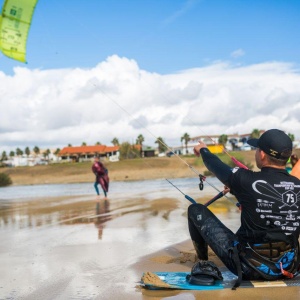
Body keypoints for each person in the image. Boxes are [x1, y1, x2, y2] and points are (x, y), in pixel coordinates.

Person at [188, 129, 300, 288]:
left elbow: (215, 165)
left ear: (262, 154)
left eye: (257, 149)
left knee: (195, 210)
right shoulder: (297, 186)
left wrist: (203, 150)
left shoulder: (245, 180)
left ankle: (203, 263)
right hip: (289, 267)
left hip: (248, 268)